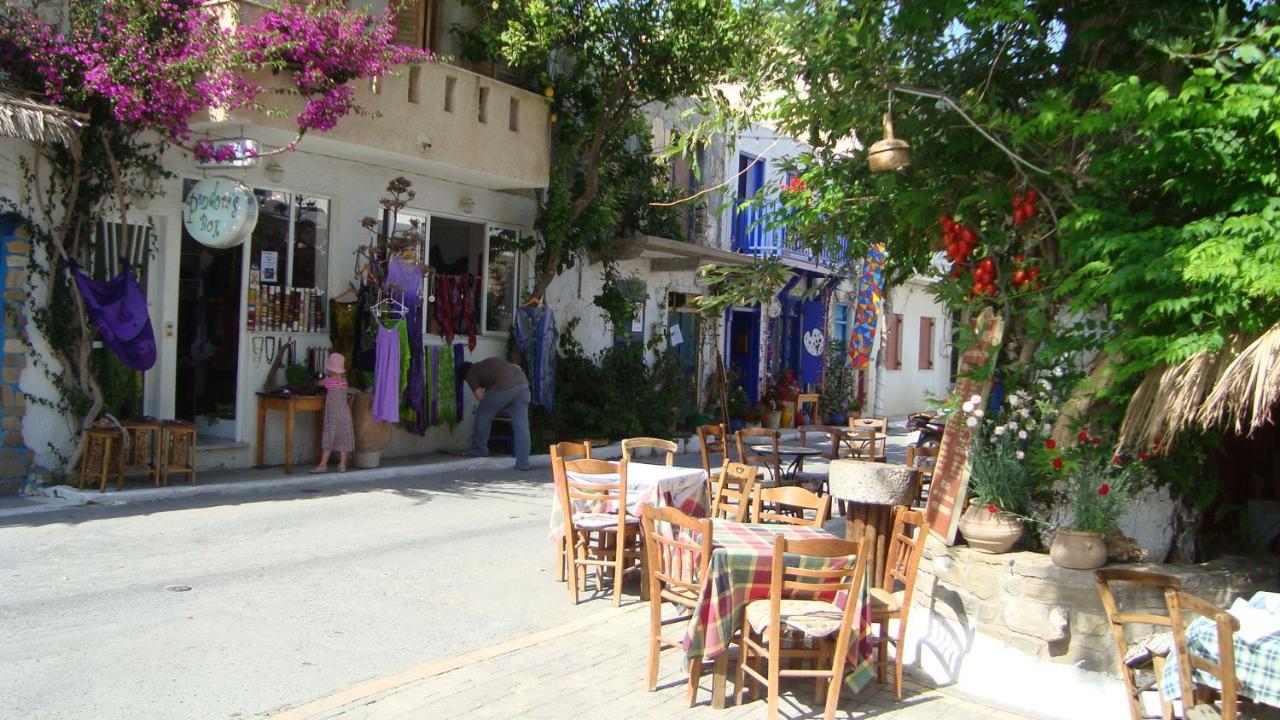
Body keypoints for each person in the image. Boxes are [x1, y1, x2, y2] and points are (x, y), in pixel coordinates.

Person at [459, 357, 531, 470]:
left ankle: (480, 449)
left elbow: (480, 397)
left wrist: (493, 403)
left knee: (483, 413)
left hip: (506, 386)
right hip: (523, 385)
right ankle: (523, 463)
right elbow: (516, 367)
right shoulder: (487, 364)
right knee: (521, 427)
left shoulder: (470, 373)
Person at [312, 352, 354, 473]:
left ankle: (323, 465)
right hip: (345, 413)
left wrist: (316, 381)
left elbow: (319, 384)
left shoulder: (329, 381)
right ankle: (342, 465)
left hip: (333, 414)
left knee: (329, 437)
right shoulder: (344, 382)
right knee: (343, 438)